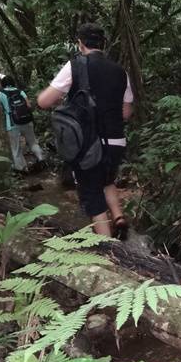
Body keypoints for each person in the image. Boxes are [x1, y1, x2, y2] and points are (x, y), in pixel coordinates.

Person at [37, 23, 134, 238]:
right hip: (116, 142)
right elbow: (126, 113)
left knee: (92, 196)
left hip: (88, 144)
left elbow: (44, 102)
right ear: (103, 44)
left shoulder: (76, 66)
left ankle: (109, 251)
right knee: (107, 179)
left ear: (80, 44)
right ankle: (118, 217)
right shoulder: (121, 72)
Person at [0, 75, 45, 172]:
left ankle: (22, 169)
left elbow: (0, 109)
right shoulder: (20, 91)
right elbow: (28, 105)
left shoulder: (1, 94)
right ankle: (41, 160)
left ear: (2, 84)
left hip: (12, 123)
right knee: (33, 143)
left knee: (16, 148)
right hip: (27, 121)